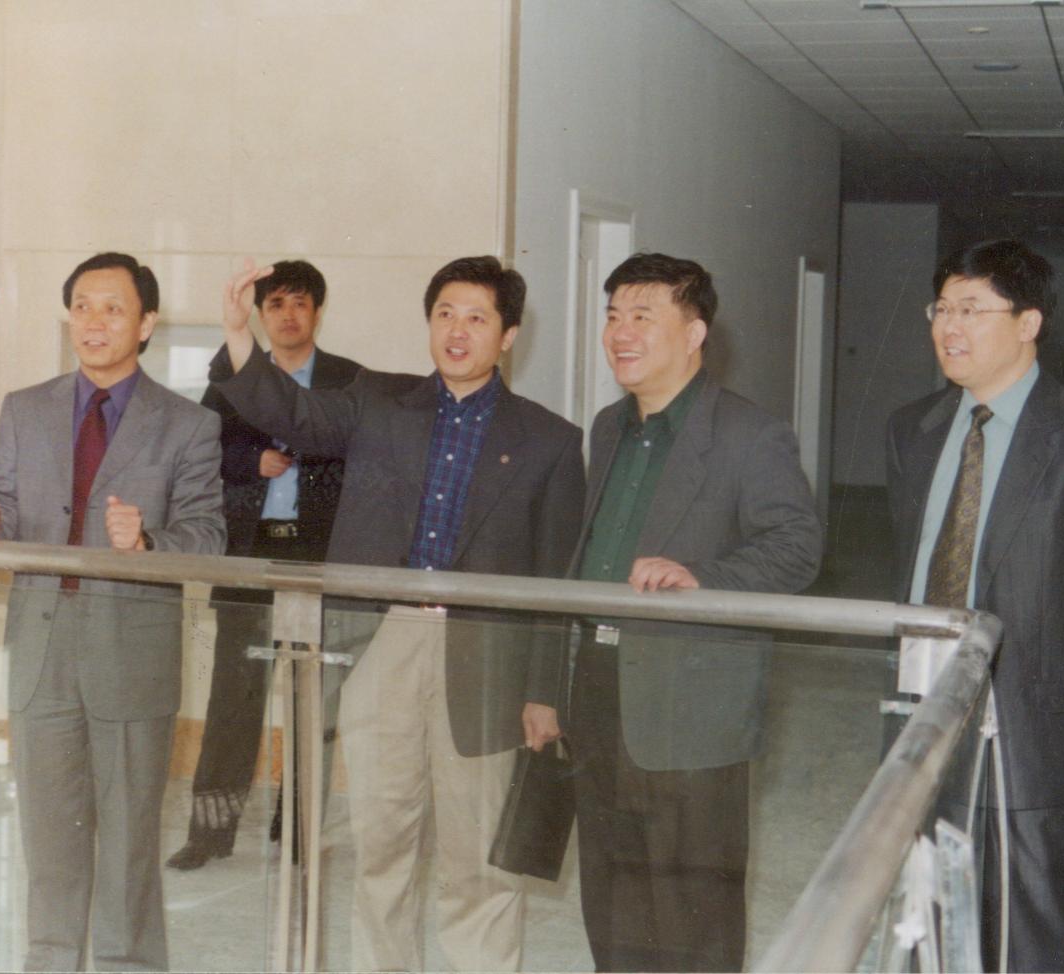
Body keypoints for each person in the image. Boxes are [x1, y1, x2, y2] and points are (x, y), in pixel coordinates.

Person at [212, 255, 584, 971]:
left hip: (487, 655)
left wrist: (544, 693)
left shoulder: (550, 440)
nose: (457, 331)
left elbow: (557, 577)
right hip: (381, 642)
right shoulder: (379, 402)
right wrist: (238, 336)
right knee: (382, 845)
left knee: (480, 857)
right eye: (444, 314)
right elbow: (295, 415)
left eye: (476, 318)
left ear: (508, 335)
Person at [885, 239, 1064, 972]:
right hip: (919, 709)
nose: (950, 326)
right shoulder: (912, 429)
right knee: (925, 917)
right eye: (942, 308)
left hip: (1032, 728)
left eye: (972, 309)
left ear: (1028, 322)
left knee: (1029, 929)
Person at [0, 252, 225, 971]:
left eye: (113, 308)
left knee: (129, 843)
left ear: (146, 323)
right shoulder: (24, 408)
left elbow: (208, 538)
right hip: (42, 646)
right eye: (81, 306)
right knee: (48, 839)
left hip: (131, 652)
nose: (94, 322)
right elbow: (7, 503)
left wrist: (150, 541)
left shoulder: (188, 425)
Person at [566, 252, 822, 972]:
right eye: (613, 316)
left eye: (642, 316)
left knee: (692, 914)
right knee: (611, 899)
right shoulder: (608, 428)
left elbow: (798, 548)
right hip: (599, 689)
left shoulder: (748, 434)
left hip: (691, 703)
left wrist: (702, 578)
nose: (621, 332)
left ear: (694, 332)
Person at [167, 260, 361, 871]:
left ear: (318, 312)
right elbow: (200, 455)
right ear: (259, 315)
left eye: (300, 303)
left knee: (313, 699)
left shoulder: (348, 380)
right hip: (250, 554)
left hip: (316, 557)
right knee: (234, 696)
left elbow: (360, 458)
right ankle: (209, 834)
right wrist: (251, 465)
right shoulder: (229, 378)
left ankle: (297, 830)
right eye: (275, 304)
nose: (288, 315)